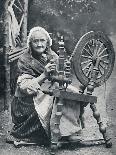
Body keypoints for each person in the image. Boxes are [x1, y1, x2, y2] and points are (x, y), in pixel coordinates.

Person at [7, 26, 81, 146]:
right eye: (36, 41)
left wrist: (64, 73)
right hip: (26, 101)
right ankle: (61, 133)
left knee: (74, 93)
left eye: (42, 40)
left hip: (46, 90)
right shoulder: (24, 60)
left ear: (48, 43)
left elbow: (61, 79)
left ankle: (70, 130)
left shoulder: (53, 56)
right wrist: (44, 74)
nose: (40, 44)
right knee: (56, 98)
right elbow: (25, 88)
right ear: (30, 44)